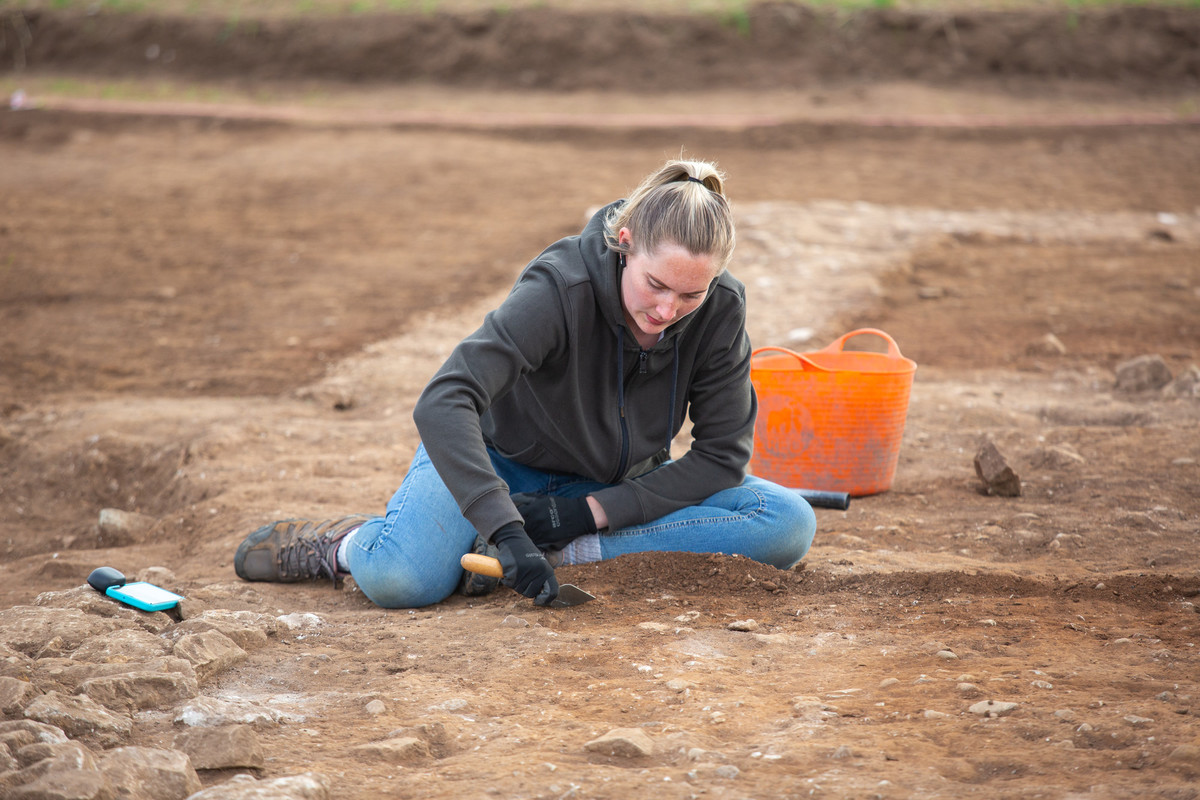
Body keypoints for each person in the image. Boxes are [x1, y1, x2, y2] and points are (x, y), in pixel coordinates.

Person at [234, 158, 816, 607]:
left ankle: (559, 551)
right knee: (403, 579)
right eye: (656, 285)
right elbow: (445, 400)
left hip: (609, 486)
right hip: (501, 466)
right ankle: (347, 545)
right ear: (626, 241)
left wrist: (586, 515)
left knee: (786, 522)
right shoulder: (560, 288)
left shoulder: (720, 309)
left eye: (692, 294)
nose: (668, 310)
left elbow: (721, 454)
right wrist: (506, 525)